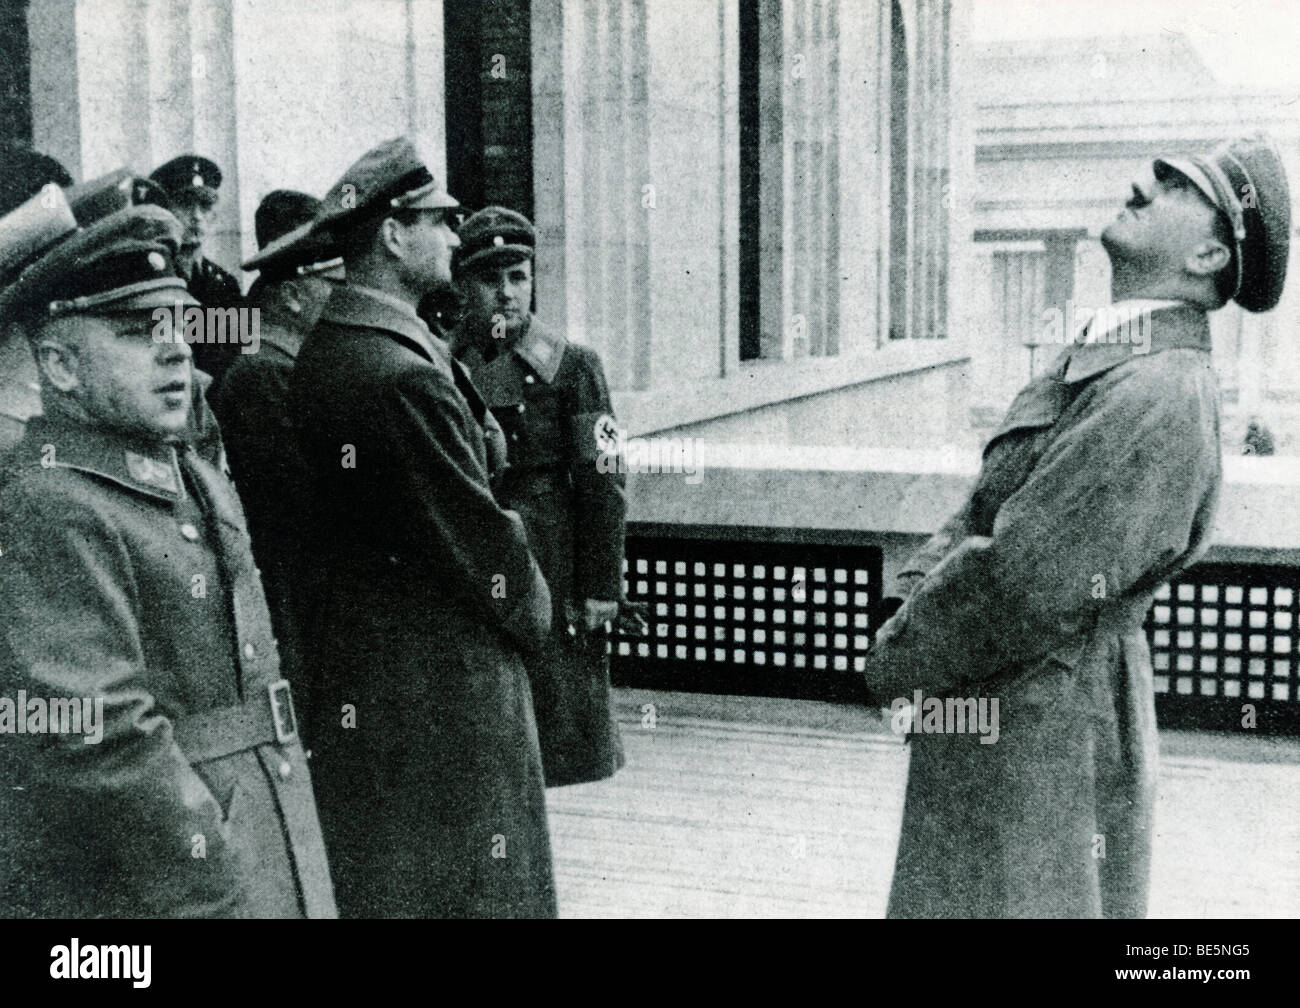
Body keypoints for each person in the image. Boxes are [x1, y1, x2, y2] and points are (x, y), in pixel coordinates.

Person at [863, 134, 1290, 919]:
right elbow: (987, 505)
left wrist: (898, 653)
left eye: (1175, 186)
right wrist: (912, 605)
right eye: (1156, 172)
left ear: (1206, 257)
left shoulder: (1159, 389)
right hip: (1010, 702)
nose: (1143, 182)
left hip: (1046, 721)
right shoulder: (1119, 357)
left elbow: (1028, 575)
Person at [0, 198, 336, 917]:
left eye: (180, 326)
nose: (177, 348)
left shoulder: (177, 468)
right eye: (136, 332)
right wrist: (216, 882)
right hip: (173, 871)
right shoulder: (55, 503)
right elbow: (100, 732)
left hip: (257, 809)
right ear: (59, 367)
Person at [290, 137, 557, 918]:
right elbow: (485, 549)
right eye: (439, 220)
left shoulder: (336, 349)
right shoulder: (401, 374)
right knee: (479, 889)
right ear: (392, 235)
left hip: (378, 679)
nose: (455, 233)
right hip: (447, 688)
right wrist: (537, 613)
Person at [450, 206, 631, 787]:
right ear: (463, 284)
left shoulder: (575, 367)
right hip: (479, 548)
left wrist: (602, 585)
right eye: (489, 278)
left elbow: (603, 481)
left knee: (558, 725)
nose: (505, 294)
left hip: (552, 556)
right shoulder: (446, 363)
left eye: (518, 277)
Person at [211, 191, 343, 708]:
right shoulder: (264, 374)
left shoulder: (279, 365)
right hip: (291, 594)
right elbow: (297, 508)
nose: (343, 298)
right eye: (332, 286)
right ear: (292, 295)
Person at [149, 154, 246, 389]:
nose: (196, 216)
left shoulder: (227, 284)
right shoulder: (152, 280)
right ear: (165, 210)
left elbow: (241, 356)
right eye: (184, 204)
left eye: (205, 205)